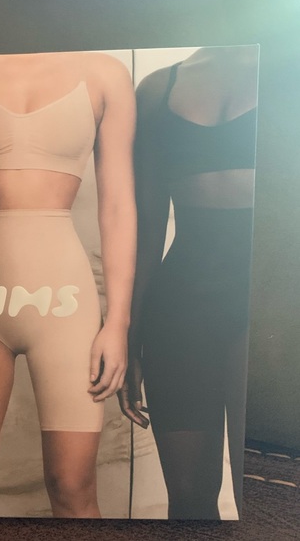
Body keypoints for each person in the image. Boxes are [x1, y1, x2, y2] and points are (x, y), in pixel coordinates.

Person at [0, 51, 136, 518]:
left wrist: (118, 323)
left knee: (72, 486)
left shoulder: (105, 73)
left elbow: (117, 207)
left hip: (65, 301)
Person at [119, 46, 258, 519]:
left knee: (261, 495)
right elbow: (147, 228)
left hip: (271, 300)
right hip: (180, 303)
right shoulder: (158, 88)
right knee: (188, 500)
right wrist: (129, 336)